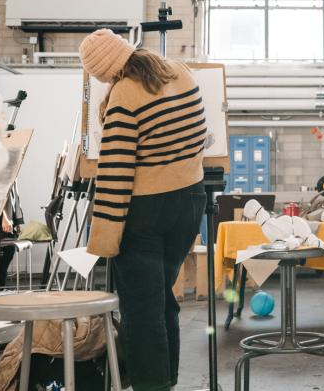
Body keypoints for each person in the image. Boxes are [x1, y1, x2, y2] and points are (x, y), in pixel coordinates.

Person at [79, 29, 206, 391]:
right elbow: (200, 134)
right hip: (189, 200)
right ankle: (167, 380)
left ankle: (152, 385)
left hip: (146, 211)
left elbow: (115, 171)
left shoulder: (124, 94)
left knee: (140, 310)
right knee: (162, 300)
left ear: (104, 71)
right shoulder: (180, 72)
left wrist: (103, 239)